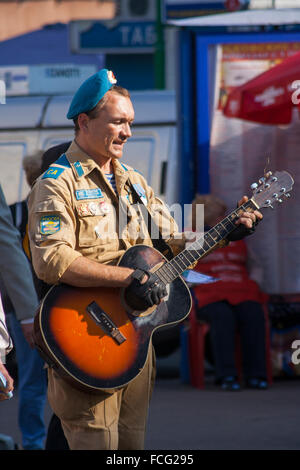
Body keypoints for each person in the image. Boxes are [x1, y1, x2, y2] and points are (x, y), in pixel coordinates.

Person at [27, 69, 262, 450]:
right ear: (84, 121)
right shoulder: (57, 183)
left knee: (132, 447)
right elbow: (52, 261)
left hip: (136, 338)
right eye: (118, 122)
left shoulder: (135, 181)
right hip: (88, 333)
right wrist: (125, 280)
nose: (128, 133)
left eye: (131, 123)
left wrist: (223, 233)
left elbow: (173, 244)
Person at [191, 194, 269, 391]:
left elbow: (255, 264)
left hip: (241, 290)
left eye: (223, 215)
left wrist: (254, 282)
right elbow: (185, 272)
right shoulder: (191, 237)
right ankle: (227, 375)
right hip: (210, 294)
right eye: (218, 215)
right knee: (223, 317)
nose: (223, 219)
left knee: (253, 314)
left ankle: (256, 375)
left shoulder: (236, 235)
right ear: (205, 217)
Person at [0, 154, 48, 450]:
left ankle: (35, 442)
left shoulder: (17, 211)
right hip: (40, 309)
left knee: (32, 381)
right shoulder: (44, 212)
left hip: (21, 310)